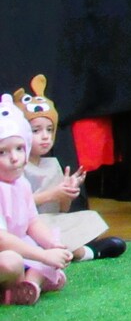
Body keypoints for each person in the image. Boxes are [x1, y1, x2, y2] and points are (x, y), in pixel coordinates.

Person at [14, 75, 125, 262]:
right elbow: (15, 206)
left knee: (90, 218)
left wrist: (67, 194)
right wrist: (53, 194)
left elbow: (61, 210)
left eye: (49, 130)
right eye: (36, 131)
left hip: (50, 221)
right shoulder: (15, 167)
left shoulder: (51, 164)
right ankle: (87, 253)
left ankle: (63, 247)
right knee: (43, 231)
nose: (45, 137)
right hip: (25, 226)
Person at [0, 95, 72, 305]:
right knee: (12, 262)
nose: (15, 158)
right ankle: (13, 287)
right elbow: (2, 239)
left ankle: (29, 284)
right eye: (2, 152)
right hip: (7, 251)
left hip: (21, 245)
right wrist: (43, 256)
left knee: (47, 252)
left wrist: (52, 245)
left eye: (19, 148)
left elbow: (33, 222)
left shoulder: (21, 183)